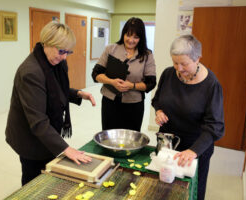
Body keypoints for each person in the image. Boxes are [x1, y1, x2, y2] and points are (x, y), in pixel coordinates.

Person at [5, 21, 96, 186]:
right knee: (33, 180)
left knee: (48, 173)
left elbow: (56, 89)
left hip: (45, 132)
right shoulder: (31, 72)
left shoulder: (57, 61)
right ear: (46, 43)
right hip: (28, 137)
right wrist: (67, 149)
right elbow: (38, 122)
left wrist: (77, 94)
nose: (64, 57)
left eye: (68, 52)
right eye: (61, 51)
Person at [151, 34, 224, 200]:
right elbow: (157, 100)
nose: (179, 68)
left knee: (190, 190)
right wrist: (159, 111)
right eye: (175, 62)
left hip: (195, 147)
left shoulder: (211, 84)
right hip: (167, 144)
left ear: (197, 58)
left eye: (184, 64)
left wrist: (193, 151)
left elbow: (216, 127)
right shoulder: (168, 74)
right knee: (165, 187)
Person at [92, 17, 156, 132]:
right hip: (110, 103)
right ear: (123, 34)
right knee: (109, 136)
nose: (131, 40)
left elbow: (151, 83)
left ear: (141, 38)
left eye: (136, 37)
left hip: (134, 105)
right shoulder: (111, 49)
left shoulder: (147, 55)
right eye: (128, 35)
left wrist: (131, 85)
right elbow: (96, 74)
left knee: (131, 138)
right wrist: (112, 82)